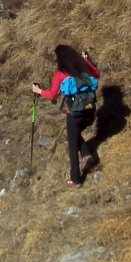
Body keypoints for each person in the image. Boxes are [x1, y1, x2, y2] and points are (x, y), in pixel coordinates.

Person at [31, 45, 101, 186]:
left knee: (73, 143)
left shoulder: (61, 74)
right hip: (90, 110)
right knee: (74, 134)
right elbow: (97, 75)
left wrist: (38, 91)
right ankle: (86, 154)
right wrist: (86, 61)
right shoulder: (83, 67)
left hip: (74, 113)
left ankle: (75, 179)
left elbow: (52, 94)